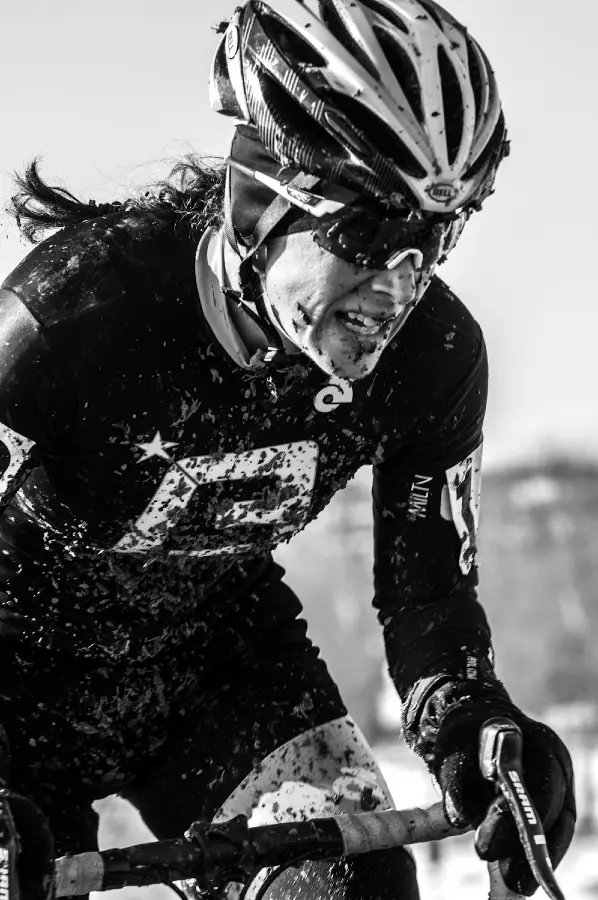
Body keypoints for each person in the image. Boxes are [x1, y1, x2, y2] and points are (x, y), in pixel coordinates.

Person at [0, 1, 575, 898]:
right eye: (370, 234)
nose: (400, 285)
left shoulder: (433, 356)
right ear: (260, 195)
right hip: (12, 688)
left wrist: (472, 716)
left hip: (215, 669)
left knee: (362, 887)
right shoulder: (68, 323)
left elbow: (428, 588)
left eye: (433, 239)